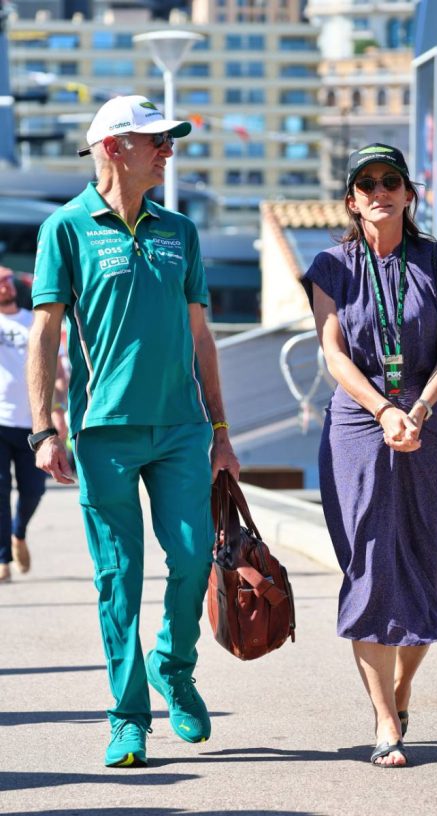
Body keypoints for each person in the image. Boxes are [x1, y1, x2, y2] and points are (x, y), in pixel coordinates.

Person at [27, 95, 239, 767]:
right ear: (114, 147)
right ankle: (127, 717)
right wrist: (43, 429)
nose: (168, 149)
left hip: (181, 429)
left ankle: (172, 665)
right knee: (118, 579)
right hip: (103, 434)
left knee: (192, 556)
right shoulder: (65, 229)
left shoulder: (181, 230)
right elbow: (46, 334)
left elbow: (201, 335)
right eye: (156, 140)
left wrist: (222, 431)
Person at [302, 143, 437, 767]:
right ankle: (384, 721)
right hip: (357, 421)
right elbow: (335, 354)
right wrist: (382, 409)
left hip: (426, 416)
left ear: (408, 194)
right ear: (352, 199)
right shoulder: (330, 265)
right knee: (370, 563)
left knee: (432, 563)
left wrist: (420, 409)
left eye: (390, 180)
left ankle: (402, 688)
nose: (379, 190)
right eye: (366, 183)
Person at [0, 266, 67, 583]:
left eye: (6, 280)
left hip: (32, 423)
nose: (4, 286)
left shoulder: (33, 320)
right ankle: (2, 559)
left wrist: (57, 408)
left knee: (33, 490)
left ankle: (19, 532)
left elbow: (57, 368)